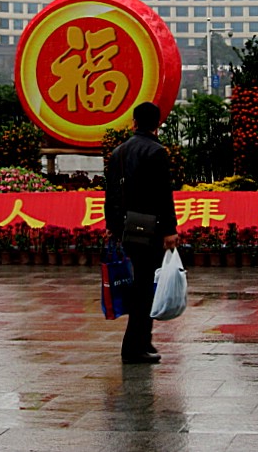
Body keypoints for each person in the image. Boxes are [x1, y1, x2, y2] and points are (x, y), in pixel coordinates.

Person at [105, 101, 179, 364]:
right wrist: (170, 230)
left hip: (126, 228)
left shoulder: (119, 153)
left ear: (134, 123)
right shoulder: (157, 152)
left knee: (141, 284)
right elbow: (163, 195)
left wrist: (112, 227)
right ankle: (133, 348)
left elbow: (111, 194)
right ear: (157, 124)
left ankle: (144, 341)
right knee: (145, 287)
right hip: (151, 229)